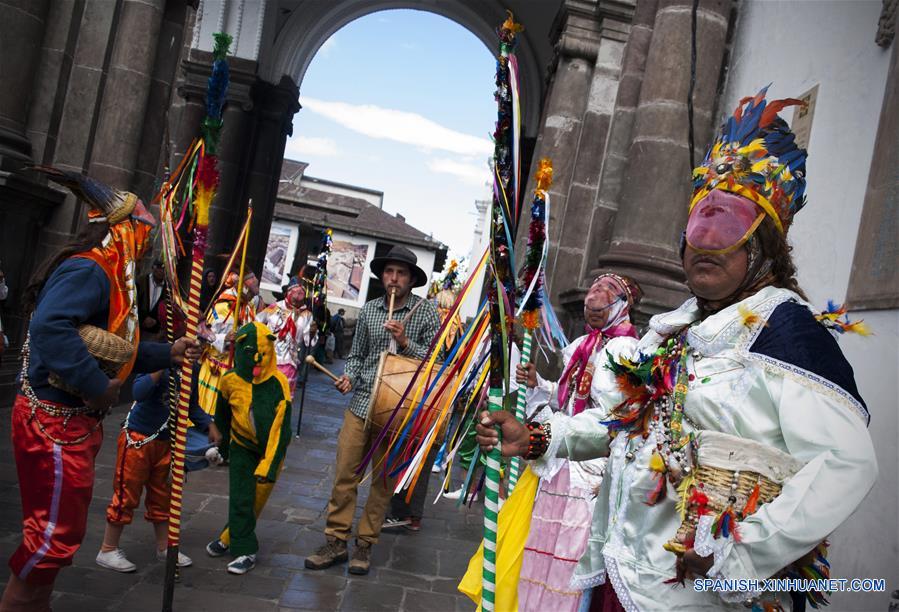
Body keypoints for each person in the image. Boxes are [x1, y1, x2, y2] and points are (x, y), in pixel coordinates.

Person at [476, 89, 878, 611]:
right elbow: (631, 428)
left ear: (764, 251)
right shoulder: (671, 332)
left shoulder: (788, 334)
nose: (706, 245)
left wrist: (739, 557)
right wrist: (538, 435)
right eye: (698, 229)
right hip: (620, 577)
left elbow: (845, 463)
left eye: (728, 230)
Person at [2, 168, 200, 611]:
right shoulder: (89, 270)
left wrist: (169, 352)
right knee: (50, 538)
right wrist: (96, 389)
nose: (149, 242)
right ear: (123, 229)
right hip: (52, 422)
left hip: (71, 425)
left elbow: (121, 349)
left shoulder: (112, 275)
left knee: (59, 536)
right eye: (144, 231)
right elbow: (51, 328)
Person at [305, 245, 441, 576]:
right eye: (390, 272)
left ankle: (364, 544)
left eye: (401, 273)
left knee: (382, 481)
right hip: (363, 401)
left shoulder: (425, 313)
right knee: (344, 474)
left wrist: (406, 342)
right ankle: (336, 541)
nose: (394, 279)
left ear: (411, 280)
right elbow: (357, 355)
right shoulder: (368, 310)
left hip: (397, 410)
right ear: (382, 276)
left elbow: (435, 361)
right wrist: (349, 376)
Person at [515, 274, 641, 611]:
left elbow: (617, 415)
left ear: (623, 306)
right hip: (560, 466)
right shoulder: (583, 344)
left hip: (591, 472)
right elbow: (565, 401)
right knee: (543, 548)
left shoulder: (627, 350)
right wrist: (538, 383)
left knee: (572, 553)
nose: (594, 297)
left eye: (605, 292)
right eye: (593, 289)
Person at [95, 367, 217, 572]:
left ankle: (164, 547)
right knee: (127, 492)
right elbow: (139, 392)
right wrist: (161, 364)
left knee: (163, 496)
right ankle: (107, 549)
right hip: (138, 440)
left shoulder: (191, 370)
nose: (197, 349)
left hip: (166, 443)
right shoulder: (156, 365)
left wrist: (208, 424)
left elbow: (191, 406)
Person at [205, 321, 292, 575]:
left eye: (262, 355)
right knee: (241, 496)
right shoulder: (230, 380)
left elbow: (281, 431)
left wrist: (270, 463)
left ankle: (228, 537)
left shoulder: (279, 384)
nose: (256, 361)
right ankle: (246, 550)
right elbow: (222, 416)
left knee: (254, 500)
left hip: (269, 451)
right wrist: (222, 447)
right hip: (242, 445)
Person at [196, 270, 261, 415]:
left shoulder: (249, 307)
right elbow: (205, 334)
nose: (256, 282)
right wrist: (224, 338)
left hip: (237, 368)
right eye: (252, 281)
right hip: (217, 369)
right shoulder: (224, 305)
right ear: (242, 287)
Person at [255, 283, 313, 398]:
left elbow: (309, 341)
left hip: (289, 361)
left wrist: (313, 333)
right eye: (294, 298)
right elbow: (257, 322)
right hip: (268, 358)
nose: (296, 303)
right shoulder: (275, 307)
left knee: (281, 398)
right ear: (288, 294)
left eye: (300, 300)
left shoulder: (307, 315)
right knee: (262, 395)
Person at [137, 260, 167, 340]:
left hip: (154, 332)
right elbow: (133, 302)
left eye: (164, 269)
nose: (161, 271)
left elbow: (166, 309)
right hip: (137, 326)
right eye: (159, 268)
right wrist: (142, 319)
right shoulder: (141, 281)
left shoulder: (168, 288)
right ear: (153, 268)